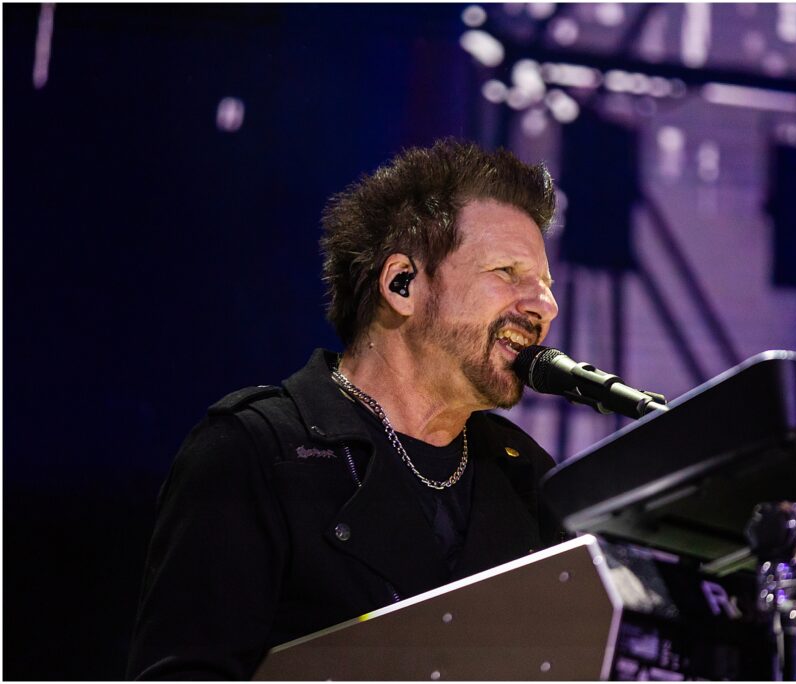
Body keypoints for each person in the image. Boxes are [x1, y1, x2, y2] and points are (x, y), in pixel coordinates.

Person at [127, 139, 562, 679]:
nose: (545, 304)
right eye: (507, 271)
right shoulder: (253, 451)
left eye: (544, 284)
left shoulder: (529, 478)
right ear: (402, 283)